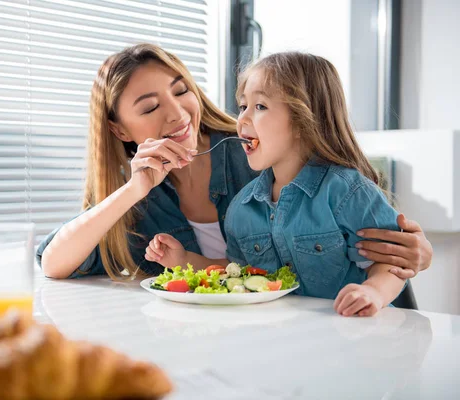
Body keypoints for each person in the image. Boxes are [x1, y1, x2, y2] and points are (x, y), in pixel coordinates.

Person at [38, 44, 432, 284]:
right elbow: (53, 263)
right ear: (119, 130)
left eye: (182, 91)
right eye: (151, 106)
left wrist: (418, 252)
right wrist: (135, 189)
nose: (178, 113)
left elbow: (354, 204)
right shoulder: (137, 199)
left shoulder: (257, 151)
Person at [146, 52, 422, 316]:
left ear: (304, 120)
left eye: (260, 107)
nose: (241, 118)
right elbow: (238, 271)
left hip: (355, 334)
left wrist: (373, 292)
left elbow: (391, 261)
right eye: (243, 106)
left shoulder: (347, 191)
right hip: (286, 339)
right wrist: (183, 261)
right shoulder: (242, 209)